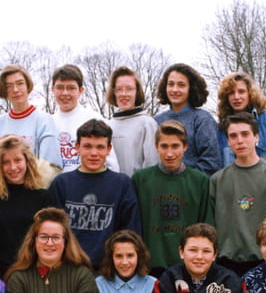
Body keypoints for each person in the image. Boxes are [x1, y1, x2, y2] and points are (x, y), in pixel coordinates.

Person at [49, 119, 142, 269]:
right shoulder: (62, 183)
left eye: (100, 147)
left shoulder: (122, 184)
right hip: (69, 268)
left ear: (109, 149)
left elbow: (131, 233)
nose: (94, 153)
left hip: (108, 270)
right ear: (77, 147)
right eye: (87, 146)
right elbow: (52, 231)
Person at [210, 112, 266, 278]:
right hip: (227, 265)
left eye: (245, 134)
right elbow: (210, 229)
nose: (239, 141)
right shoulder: (218, 180)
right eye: (233, 136)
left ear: (256, 137)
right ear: (228, 141)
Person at [132, 120, 213, 276]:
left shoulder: (200, 181)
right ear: (156, 147)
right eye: (164, 146)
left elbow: (207, 228)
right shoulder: (140, 180)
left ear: (185, 146)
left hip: (188, 268)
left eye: (175, 146)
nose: (169, 153)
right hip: (149, 267)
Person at [0, 134, 55, 279]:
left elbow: (50, 240)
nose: (13, 167)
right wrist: (3, 275)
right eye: (5, 162)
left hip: (35, 276)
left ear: (27, 161)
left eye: (18, 160)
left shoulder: (43, 197)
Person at [216, 72, 266, 197]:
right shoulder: (221, 128)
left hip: (265, 197)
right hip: (233, 198)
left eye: (241, 91)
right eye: (231, 93)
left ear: (250, 94)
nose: (236, 97)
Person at [0, 64, 61, 183]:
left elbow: (51, 166)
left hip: (36, 189)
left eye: (20, 83)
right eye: (9, 86)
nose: (15, 89)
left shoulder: (44, 120)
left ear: (27, 86)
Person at [154, 63, 221, 175]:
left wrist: (184, 181)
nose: (175, 89)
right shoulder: (156, 121)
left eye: (181, 85)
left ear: (191, 88)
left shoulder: (202, 120)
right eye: (171, 84)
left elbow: (211, 162)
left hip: (194, 183)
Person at [51, 64, 119, 173]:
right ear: (53, 89)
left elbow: (111, 163)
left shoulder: (94, 119)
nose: (65, 93)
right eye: (60, 87)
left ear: (80, 90)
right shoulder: (48, 122)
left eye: (71, 88)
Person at [106, 66, 159, 176]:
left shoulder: (147, 124)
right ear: (113, 92)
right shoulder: (108, 126)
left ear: (137, 91)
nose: (124, 94)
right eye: (119, 89)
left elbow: (152, 164)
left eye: (129, 89)